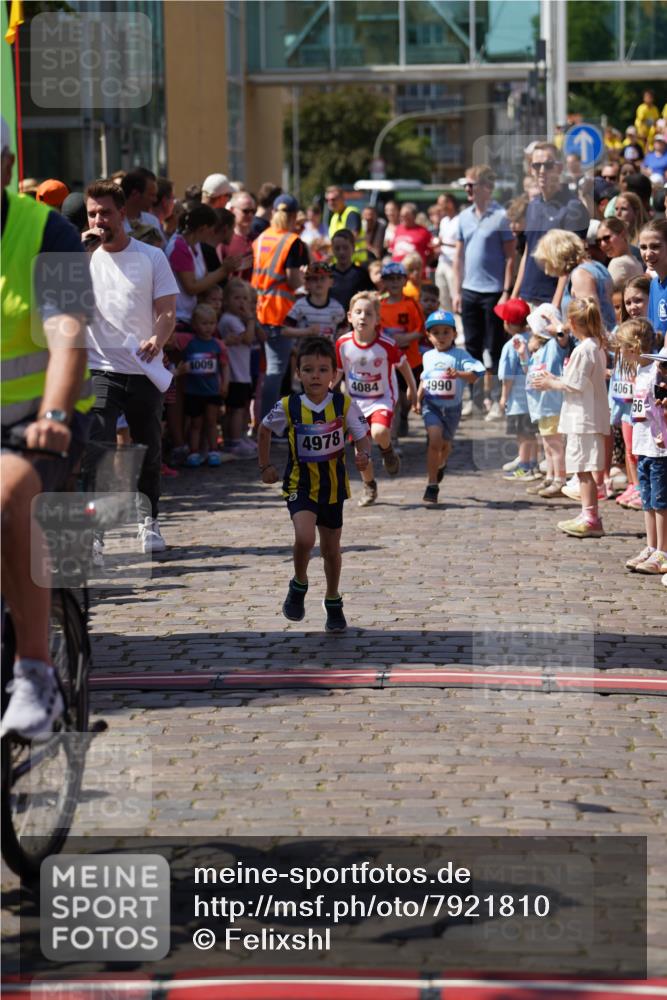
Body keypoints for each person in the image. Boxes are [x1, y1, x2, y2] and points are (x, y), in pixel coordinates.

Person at [1, 117, 94, 740]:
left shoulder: (46, 230)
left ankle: (34, 671)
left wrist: (55, 415)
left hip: (37, 421)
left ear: (6, 166)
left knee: (8, 496)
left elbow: (67, 335)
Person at [83, 179, 178, 553]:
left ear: (122, 213)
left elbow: (168, 311)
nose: (99, 220)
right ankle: (95, 531)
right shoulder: (82, 255)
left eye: (105, 212)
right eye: (92, 213)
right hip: (98, 366)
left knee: (147, 450)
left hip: (141, 367)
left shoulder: (151, 257)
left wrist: (157, 338)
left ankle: (148, 521)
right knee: (97, 449)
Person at [258, 336, 371, 632]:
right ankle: (299, 583)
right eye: (308, 370)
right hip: (300, 484)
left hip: (333, 488)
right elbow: (264, 429)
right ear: (298, 374)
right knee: (305, 538)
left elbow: (361, 434)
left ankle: (333, 600)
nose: (315, 376)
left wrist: (363, 454)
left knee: (332, 549)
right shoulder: (289, 405)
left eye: (323, 370)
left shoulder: (343, 404)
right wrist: (265, 465)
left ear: (334, 374)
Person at [531, 298, 610, 539]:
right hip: (586, 415)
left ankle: (591, 517)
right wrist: (554, 377)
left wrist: (549, 382)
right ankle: (587, 513)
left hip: (582, 418)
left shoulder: (585, 349)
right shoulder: (595, 346)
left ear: (573, 322)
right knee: (583, 469)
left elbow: (574, 384)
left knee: (583, 470)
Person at [335, 292, 417, 507]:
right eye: (358, 312)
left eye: (369, 313)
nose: (363, 317)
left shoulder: (386, 344)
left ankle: (387, 451)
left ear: (377, 319)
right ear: (349, 316)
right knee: (361, 454)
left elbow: (404, 365)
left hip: (382, 398)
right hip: (355, 403)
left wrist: (412, 388)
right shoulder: (342, 343)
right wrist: (326, 390)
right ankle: (369, 485)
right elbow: (338, 370)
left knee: (380, 432)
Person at [452, 164, 516, 419]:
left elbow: (511, 257)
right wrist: (457, 291)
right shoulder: (463, 217)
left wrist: (506, 291)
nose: (467, 189)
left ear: (486, 188)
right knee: (471, 348)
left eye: (472, 184)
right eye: (466, 185)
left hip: (494, 292)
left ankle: (495, 400)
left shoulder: (501, 216)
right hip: (469, 290)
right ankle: (475, 398)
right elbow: (458, 257)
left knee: (495, 348)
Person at [416, 310, 484, 505]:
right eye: (436, 332)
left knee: (445, 446)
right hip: (432, 406)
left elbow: (477, 373)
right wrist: (418, 398)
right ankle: (432, 485)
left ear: (454, 334)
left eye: (446, 332)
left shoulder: (460, 355)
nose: (441, 336)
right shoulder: (427, 356)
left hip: (453, 409)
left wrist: (460, 374)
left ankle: (442, 464)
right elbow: (425, 378)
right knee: (434, 441)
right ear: (428, 336)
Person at [251, 193, 309, 418]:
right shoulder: (292, 242)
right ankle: (268, 425)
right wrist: (304, 280)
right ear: (294, 216)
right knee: (275, 373)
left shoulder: (263, 237)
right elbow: (293, 280)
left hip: (256, 309)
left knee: (262, 372)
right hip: (278, 313)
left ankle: (260, 422)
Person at [513, 142, 589, 306]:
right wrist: (514, 297)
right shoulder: (533, 205)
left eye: (548, 165)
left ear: (559, 168)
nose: (541, 171)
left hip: (552, 301)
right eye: (536, 165)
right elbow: (527, 252)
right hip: (526, 298)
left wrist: (554, 307)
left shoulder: (573, 207)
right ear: (531, 169)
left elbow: (570, 262)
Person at [624, 343, 667, 575]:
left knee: (661, 501)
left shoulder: (654, 376)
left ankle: (663, 549)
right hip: (645, 445)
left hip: (660, 449)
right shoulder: (644, 373)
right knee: (648, 499)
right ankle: (652, 545)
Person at [533, 229, 616, 333]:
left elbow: (589, 320)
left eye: (547, 262)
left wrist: (560, 329)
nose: (546, 270)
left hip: (591, 345)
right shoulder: (596, 266)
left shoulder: (580, 275)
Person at [524, 304, 568, 497]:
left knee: (555, 445)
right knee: (548, 446)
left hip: (552, 405)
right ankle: (550, 477)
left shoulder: (554, 346)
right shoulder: (539, 350)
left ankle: (560, 479)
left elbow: (564, 338)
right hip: (541, 406)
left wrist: (556, 325)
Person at [613, 319, 656, 512]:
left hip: (655, 440)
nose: (619, 352)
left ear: (632, 347)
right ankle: (637, 488)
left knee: (657, 496)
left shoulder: (654, 370)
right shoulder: (639, 369)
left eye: (621, 347)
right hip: (641, 432)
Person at [166, 204, 233, 327]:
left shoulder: (195, 243)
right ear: (202, 229)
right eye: (211, 229)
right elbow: (191, 287)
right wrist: (224, 270)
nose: (213, 233)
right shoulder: (179, 247)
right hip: (180, 319)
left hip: (192, 317)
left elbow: (205, 277)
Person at [495, 299, 540, 481]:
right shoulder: (535, 339)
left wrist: (504, 397)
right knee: (532, 434)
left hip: (518, 399)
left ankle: (524, 466)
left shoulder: (510, 346)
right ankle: (534, 463)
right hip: (534, 398)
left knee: (522, 435)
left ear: (508, 323)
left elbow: (507, 377)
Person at [378, 261, 424, 436]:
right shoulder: (379, 305)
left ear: (405, 281)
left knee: (408, 400)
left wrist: (404, 338)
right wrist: (388, 340)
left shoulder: (412, 304)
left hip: (411, 360)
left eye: (398, 278)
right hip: (388, 363)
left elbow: (421, 331)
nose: (394, 283)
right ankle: (393, 441)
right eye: (390, 279)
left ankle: (404, 415)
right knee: (394, 400)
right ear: (383, 282)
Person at [218, 278, 257, 457]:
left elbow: (260, 337)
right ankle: (233, 442)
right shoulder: (229, 319)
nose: (241, 303)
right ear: (226, 301)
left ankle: (238, 437)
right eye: (237, 298)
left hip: (242, 372)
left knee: (240, 408)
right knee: (235, 410)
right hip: (234, 373)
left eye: (244, 299)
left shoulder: (237, 319)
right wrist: (250, 319)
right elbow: (249, 338)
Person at [283, 261, 346, 343]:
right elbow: (285, 330)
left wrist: (341, 334)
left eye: (322, 278)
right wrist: (306, 331)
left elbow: (345, 330)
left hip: (329, 354)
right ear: (307, 283)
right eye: (314, 279)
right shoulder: (300, 306)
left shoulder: (337, 308)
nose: (318, 282)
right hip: (304, 353)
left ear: (331, 282)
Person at [330, 228, 373, 312]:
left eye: (345, 248)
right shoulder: (327, 274)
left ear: (353, 248)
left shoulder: (362, 274)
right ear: (332, 249)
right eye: (337, 248)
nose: (341, 252)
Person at [639, 219, 667, 343]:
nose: (648, 254)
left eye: (655, 246)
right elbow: (654, 332)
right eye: (643, 247)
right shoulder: (654, 285)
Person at [219, 191, 255, 282]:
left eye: (253, 211)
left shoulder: (259, 239)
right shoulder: (223, 241)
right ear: (232, 210)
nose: (250, 215)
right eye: (245, 211)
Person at [596, 218, 644, 286]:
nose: (602, 244)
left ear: (623, 235)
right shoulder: (636, 261)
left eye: (606, 238)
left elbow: (608, 295)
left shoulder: (618, 263)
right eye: (598, 241)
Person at [325, 185, 364, 263]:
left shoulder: (351, 213)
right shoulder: (334, 217)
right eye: (327, 200)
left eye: (333, 199)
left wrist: (325, 244)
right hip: (341, 264)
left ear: (343, 198)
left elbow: (352, 237)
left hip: (355, 263)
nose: (330, 203)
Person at [435, 193, 460, 313]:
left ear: (450, 203)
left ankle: (460, 329)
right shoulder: (444, 221)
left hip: (454, 264)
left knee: (455, 296)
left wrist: (443, 244)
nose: (439, 206)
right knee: (442, 298)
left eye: (441, 203)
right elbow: (441, 239)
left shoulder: (460, 220)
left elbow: (461, 244)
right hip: (442, 262)